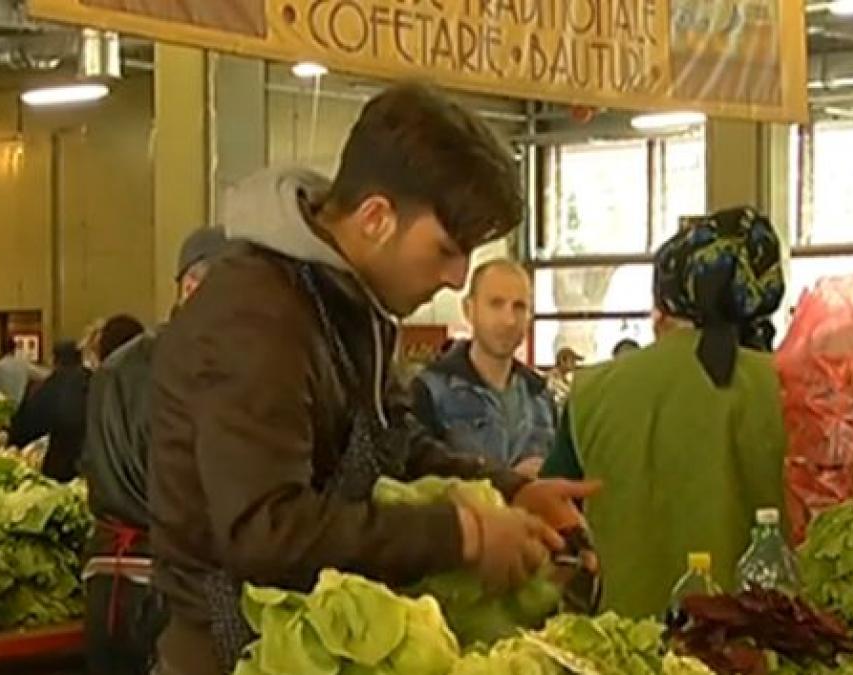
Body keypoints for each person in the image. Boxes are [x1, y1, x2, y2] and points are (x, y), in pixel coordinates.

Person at [149, 84, 598, 675]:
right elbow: (265, 530)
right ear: (376, 218)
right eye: (445, 249)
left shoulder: (350, 304)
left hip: (322, 642)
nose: (457, 275)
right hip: (232, 653)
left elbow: (395, 446)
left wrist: (510, 490)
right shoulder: (256, 317)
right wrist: (458, 534)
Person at [541, 206, 787, 620]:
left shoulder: (593, 390)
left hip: (622, 650)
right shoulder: (796, 390)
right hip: (767, 650)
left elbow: (551, 519)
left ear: (664, 300)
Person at [81, 226, 228, 675]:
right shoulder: (209, 371)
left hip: (107, 582)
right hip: (173, 591)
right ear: (192, 287)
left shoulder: (112, 368)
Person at [412, 260, 556, 477]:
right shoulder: (430, 390)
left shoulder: (541, 397)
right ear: (469, 309)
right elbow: (416, 483)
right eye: (496, 304)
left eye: (519, 307)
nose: (509, 320)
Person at [9, 340, 92, 481]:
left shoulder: (44, 389)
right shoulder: (95, 382)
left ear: (53, 360)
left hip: (56, 471)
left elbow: (23, 429)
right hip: (90, 469)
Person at [0, 336, 38, 405]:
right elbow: (43, 375)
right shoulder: (23, 365)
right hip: (18, 407)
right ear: (14, 349)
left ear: (1, 349)